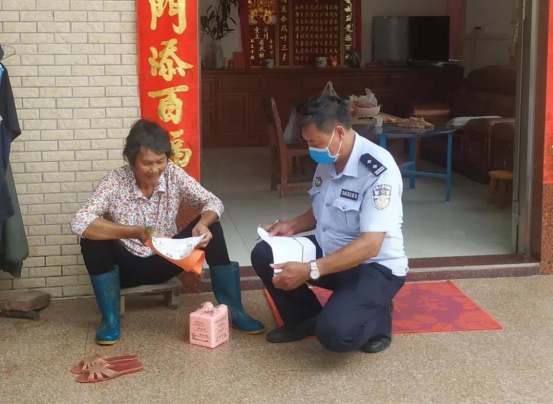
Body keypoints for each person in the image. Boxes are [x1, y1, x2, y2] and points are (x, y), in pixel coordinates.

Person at [70, 119, 264, 345]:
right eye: (147, 163)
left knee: (212, 225)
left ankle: (235, 311)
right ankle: (110, 320)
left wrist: (203, 223)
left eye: (160, 161)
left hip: (166, 260)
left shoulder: (173, 174)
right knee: (91, 239)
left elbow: (213, 201)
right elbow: (80, 221)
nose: (154, 170)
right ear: (132, 161)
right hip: (125, 269)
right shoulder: (115, 181)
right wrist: (133, 232)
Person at [251, 95, 408, 353]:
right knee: (265, 253)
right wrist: (291, 226)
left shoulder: (379, 170)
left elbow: (371, 245)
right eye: (307, 142)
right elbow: (322, 209)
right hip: (331, 250)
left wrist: (310, 269)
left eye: (315, 142)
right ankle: (305, 319)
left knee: (336, 335)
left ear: (339, 133)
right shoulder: (329, 158)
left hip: (374, 266)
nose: (311, 149)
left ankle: (378, 315)